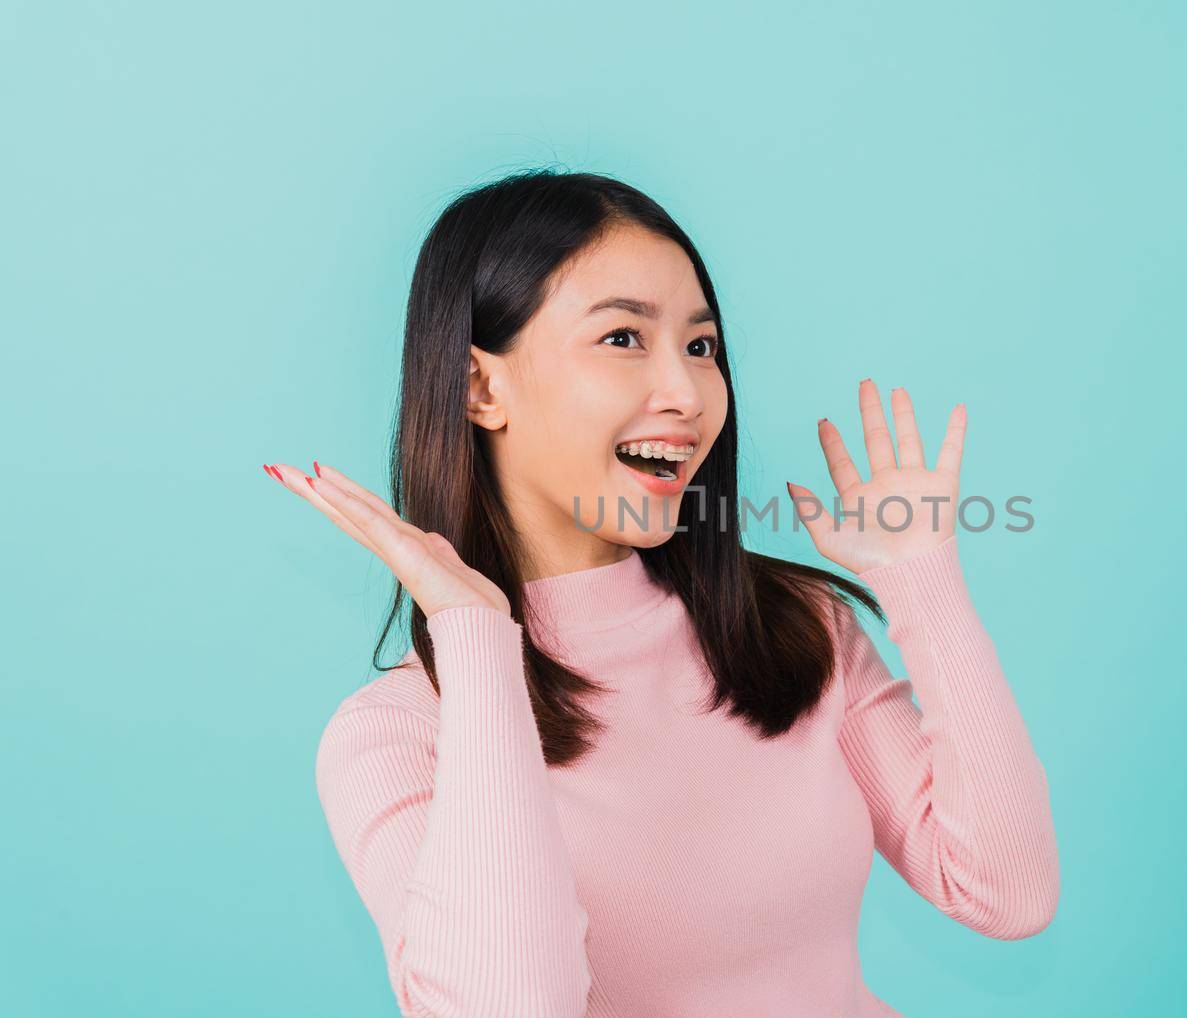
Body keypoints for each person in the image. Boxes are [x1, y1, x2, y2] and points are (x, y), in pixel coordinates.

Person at [265, 169, 1058, 1017]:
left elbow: (1003, 892)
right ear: (481, 388)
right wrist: (475, 642)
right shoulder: (398, 734)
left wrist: (923, 583)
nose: (686, 395)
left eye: (700, 347)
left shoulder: (796, 631)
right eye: (622, 339)